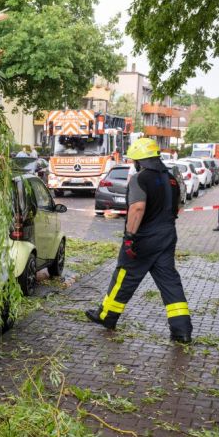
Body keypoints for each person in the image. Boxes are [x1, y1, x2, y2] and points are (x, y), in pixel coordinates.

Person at [85, 138, 193, 344]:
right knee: (170, 282)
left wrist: (129, 237)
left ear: (140, 160)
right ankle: (182, 331)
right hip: (167, 236)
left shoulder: (140, 179)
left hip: (143, 239)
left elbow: (137, 208)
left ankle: (106, 316)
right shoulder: (171, 180)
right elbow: (177, 207)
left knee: (124, 275)